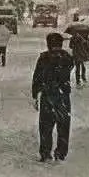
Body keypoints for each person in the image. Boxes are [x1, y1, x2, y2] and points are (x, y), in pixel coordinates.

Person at [31, 31, 74, 161]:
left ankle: (45, 153)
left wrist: (35, 94)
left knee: (45, 126)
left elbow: (37, 77)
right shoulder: (67, 57)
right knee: (63, 126)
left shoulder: (44, 58)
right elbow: (69, 68)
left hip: (48, 95)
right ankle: (61, 152)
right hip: (63, 96)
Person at [68, 17, 89, 86]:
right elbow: (87, 45)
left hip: (77, 53)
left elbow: (71, 46)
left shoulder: (74, 37)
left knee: (79, 67)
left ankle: (79, 80)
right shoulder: (84, 37)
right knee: (82, 66)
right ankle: (82, 78)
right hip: (81, 53)